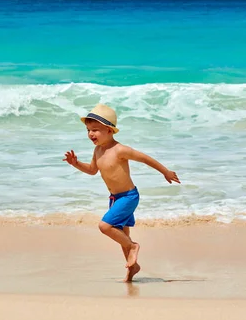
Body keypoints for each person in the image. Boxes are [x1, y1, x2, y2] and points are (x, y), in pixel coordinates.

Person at [63, 103, 181, 282]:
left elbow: (145, 158)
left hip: (128, 197)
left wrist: (165, 171)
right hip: (115, 198)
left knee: (105, 226)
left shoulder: (120, 150)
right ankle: (132, 270)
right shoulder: (98, 151)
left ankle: (134, 247)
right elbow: (93, 170)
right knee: (123, 238)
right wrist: (76, 164)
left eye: (95, 130)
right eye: (88, 130)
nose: (90, 134)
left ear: (110, 130)